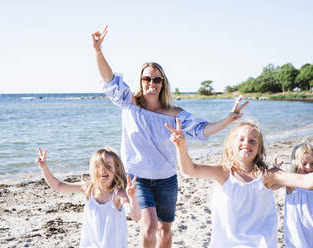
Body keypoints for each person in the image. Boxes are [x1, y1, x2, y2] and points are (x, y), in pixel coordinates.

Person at [92, 25, 249, 248]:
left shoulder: (175, 114)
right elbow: (109, 81)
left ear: (163, 83)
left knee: (165, 231)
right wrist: (98, 50)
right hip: (138, 178)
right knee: (148, 228)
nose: (152, 84)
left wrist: (229, 119)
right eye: (147, 79)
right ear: (141, 80)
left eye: (157, 80)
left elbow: (202, 130)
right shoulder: (130, 103)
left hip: (167, 178)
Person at [166, 120, 313, 248]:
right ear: (231, 145)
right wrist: (181, 146)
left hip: (260, 244)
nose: (246, 144)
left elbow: (306, 181)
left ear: (259, 148)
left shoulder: (269, 174)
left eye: (252, 141)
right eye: (241, 139)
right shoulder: (223, 172)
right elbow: (190, 169)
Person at [36, 147, 141, 248]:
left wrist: (132, 198)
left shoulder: (118, 193)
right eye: (99, 166)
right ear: (93, 169)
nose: (103, 170)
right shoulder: (88, 188)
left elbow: (136, 217)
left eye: (108, 166)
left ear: (116, 170)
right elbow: (58, 186)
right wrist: (44, 168)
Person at [284, 143, 313, 248]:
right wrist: (274, 169)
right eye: (304, 163)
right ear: (295, 164)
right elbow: (272, 183)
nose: (309, 167)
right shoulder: (291, 183)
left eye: (312, 164)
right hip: (297, 237)